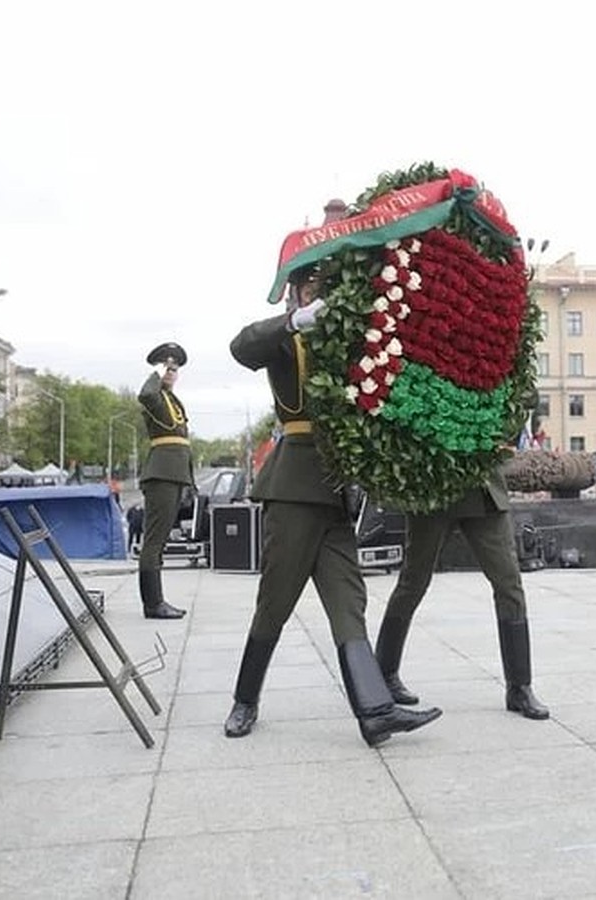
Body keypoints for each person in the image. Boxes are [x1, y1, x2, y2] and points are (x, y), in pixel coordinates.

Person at [223, 198, 441, 746]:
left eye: (327, 284)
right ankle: (244, 701)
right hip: (295, 487)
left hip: (337, 490)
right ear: (297, 291)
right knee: (275, 601)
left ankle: (375, 713)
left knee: (349, 603)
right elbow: (240, 345)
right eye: (311, 284)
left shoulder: (349, 344)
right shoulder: (284, 337)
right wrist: (296, 320)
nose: (321, 292)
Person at [374, 469, 551, 721]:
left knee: (509, 585)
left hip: (482, 491)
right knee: (412, 583)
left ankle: (519, 687)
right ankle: (384, 674)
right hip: (433, 490)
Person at [136, 344, 191, 620]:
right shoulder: (154, 396)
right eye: (167, 368)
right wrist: (156, 373)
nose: (171, 373)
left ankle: (157, 601)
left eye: (175, 369)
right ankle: (153, 603)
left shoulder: (172, 399)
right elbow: (145, 393)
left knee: (160, 541)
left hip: (175, 474)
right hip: (162, 474)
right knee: (154, 541)